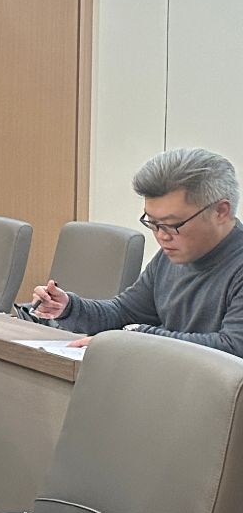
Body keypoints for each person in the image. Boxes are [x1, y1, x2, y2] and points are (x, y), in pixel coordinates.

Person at [29, 146, 243, 357]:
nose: (162, 236)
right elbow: (124, 313)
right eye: (153, 223)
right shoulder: (173, 253)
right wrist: (68, 308)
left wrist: (137, 336)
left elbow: (232, 348)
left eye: (172, 224)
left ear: (220, 211)